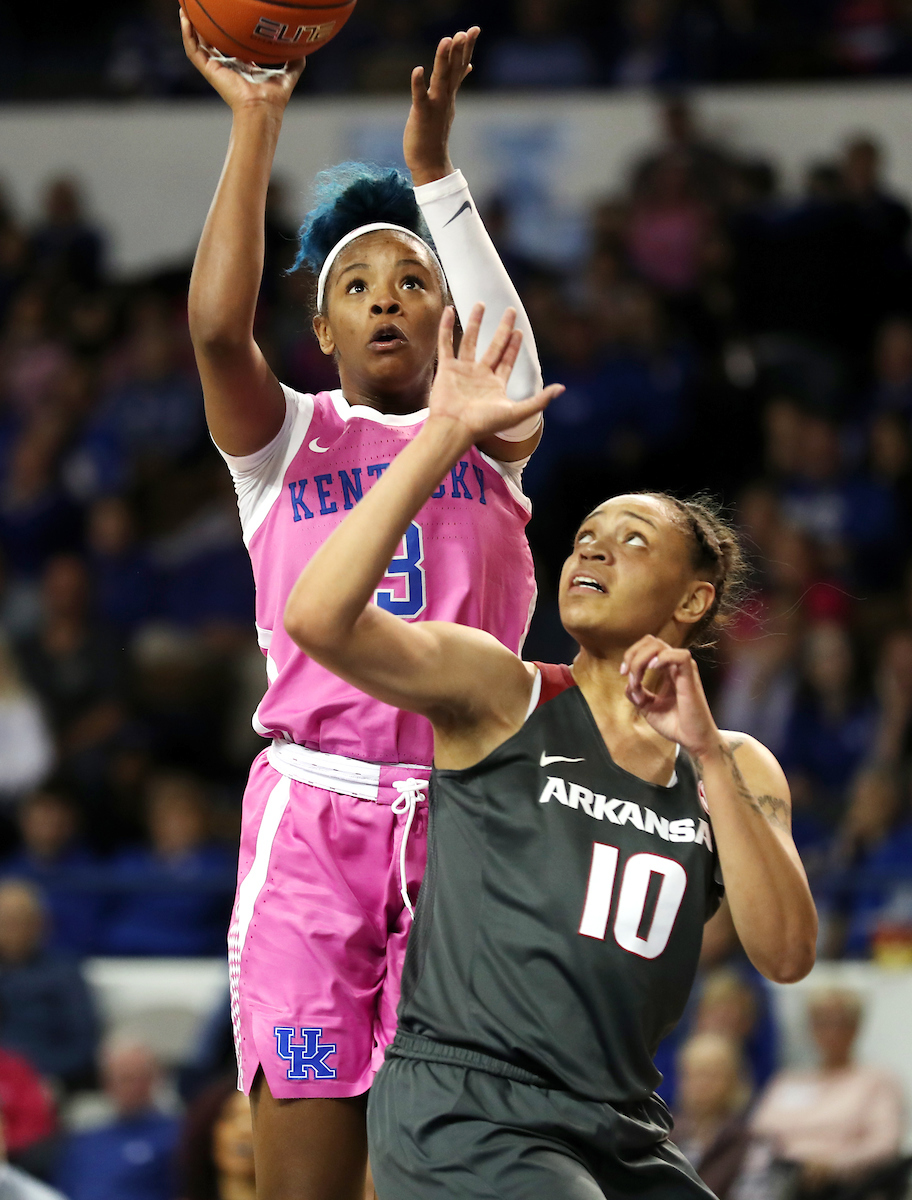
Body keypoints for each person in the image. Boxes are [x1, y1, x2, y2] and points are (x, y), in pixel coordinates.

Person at [283, 303, 818, 1198]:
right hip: (469, 1106)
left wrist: (709, 759)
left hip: (622, 1124)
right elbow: (316, 619)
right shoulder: (501, 692)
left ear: (691, 602)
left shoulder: (736, 766)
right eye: (585, 540)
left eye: (631, 542)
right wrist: (443, 436)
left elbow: (789, 952)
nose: (593, 553)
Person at [179, 14, 543, 1200]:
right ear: (323, 327)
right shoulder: (282, 445)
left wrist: (436, 177)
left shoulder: (490, 435)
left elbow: (510, 368)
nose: (387, 300)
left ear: (447, 316)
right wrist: (256, 122)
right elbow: (211, 329)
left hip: (466, 816)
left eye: (412, 281)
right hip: (314, 823)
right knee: (306, 1182)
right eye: (356, 286)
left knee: (454, 1171)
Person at [751, 989, 905, 1198]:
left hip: (844, 1185)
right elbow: (758, 1132)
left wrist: (834, 1164)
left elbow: (885, 1144)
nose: (831, 1031)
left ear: (856, 1027)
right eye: (821, 1022)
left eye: (841, 1022)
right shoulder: (789, 1080)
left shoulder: (876, 1081)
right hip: (778, 1176)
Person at [53, 1038, 179, 1200]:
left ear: (155, 1079)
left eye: (137, 1077)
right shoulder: (83, 1141)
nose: (130, 1087)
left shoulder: (176, 1135)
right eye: (121, 1079)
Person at [0, 880, 98, 1089]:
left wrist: (31, 1074)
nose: (12, 931)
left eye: (20, 921)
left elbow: (82, 1046)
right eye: (6, 922)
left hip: (46, 1079)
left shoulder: (64, 974)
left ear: (40, 924)